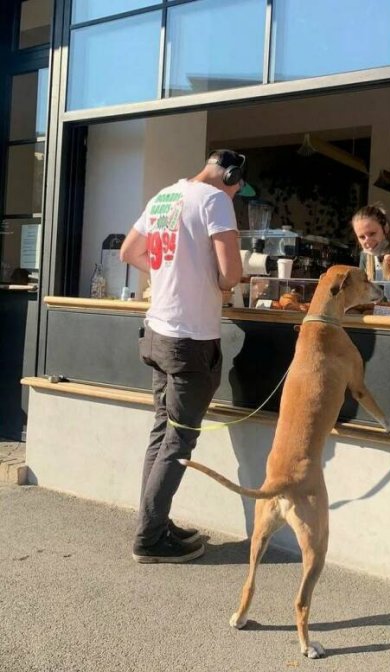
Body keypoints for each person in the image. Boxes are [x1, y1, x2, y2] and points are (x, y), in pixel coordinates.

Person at [120, 149, 247, 563]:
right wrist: (207, 277)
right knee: (178, 441)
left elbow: (129, 252)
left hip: (158, 332)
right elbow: (230, 275)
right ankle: (150, 539)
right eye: (238, 187)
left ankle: (153, 522)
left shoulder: (165, 196)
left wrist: (172, 275)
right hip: (190, 339)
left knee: (162, 433)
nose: (235, 193)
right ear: (231, 176)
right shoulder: (216, 201)